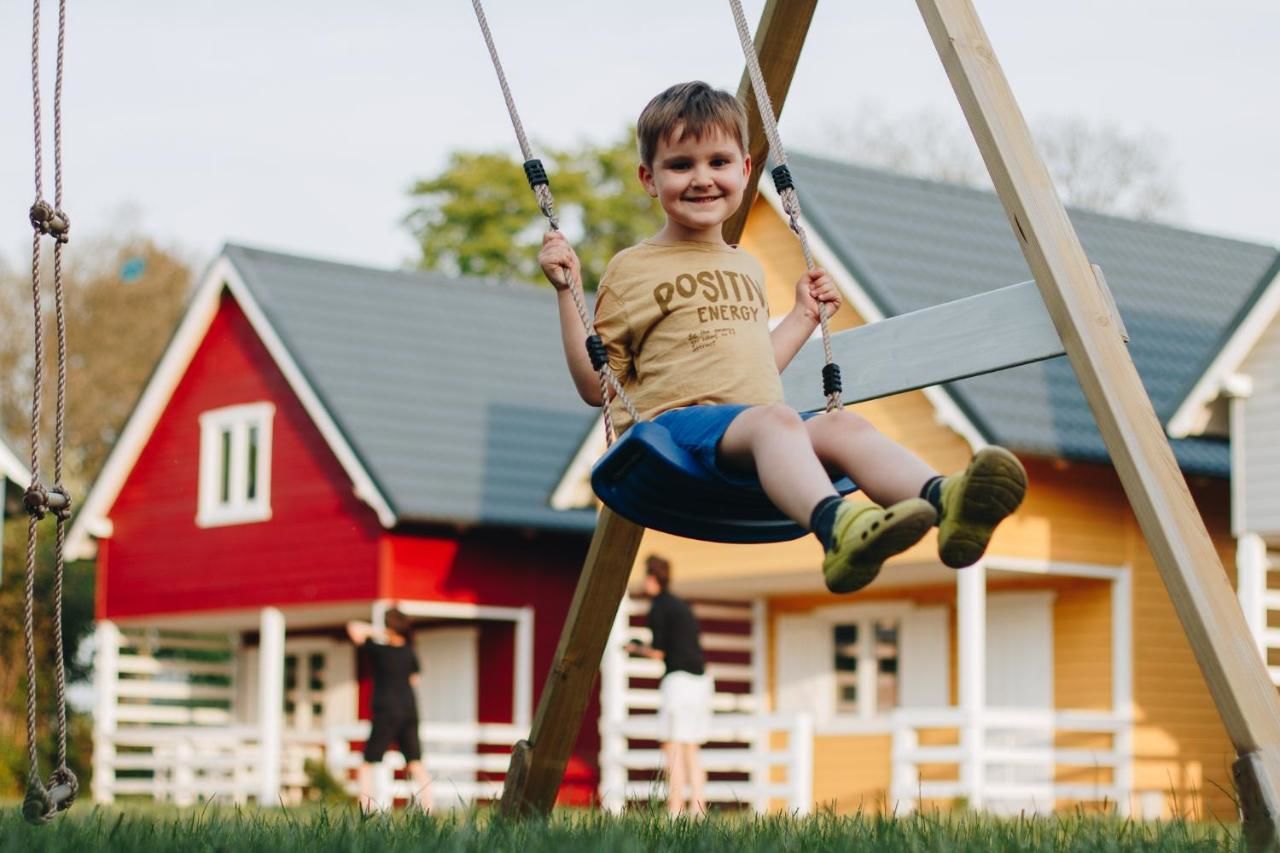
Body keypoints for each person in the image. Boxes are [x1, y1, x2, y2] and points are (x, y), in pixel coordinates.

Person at [538, 81, 1027, 593]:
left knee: (843, 427)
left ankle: (948, 503)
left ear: (745, 171)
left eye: (719, 162)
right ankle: (839, 529)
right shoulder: (632, 267)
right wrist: (566, 294)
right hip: (676, 437)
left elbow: (754, 370)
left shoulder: (746, 265)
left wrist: (802, 316)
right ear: (649, 178)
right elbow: (598, 386)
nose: (702, 178)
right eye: (681, 165)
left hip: (753, 432)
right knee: (777, 419)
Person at [627, 555, 712, 816]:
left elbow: (660, 651)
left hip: (678, 682)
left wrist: (635, 649)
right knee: (691, 748)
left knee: (672, 747)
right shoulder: (682, 607)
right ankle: (698, 810)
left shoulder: (659, 608)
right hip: (701, 682)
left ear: (652, 578)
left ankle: (675, 809)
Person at [345, 609, 432, 812]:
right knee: (415, 762)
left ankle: (365, 807)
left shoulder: (380, 651)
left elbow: (353, 629)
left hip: (386, 710)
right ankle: (429, 806)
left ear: (388, 628)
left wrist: (380, 633)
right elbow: (414, 679)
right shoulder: (409, 652)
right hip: (409, 710)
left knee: (368, 762)